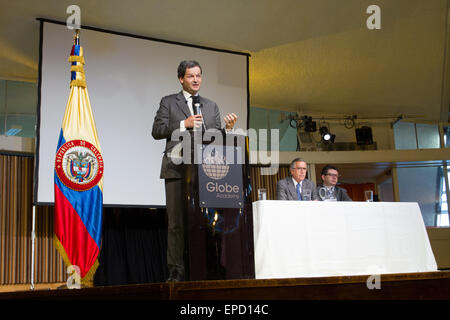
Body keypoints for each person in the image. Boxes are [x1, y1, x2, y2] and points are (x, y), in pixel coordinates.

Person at [151, 60, 237, 282]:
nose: (196, 79)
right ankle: (176, 271)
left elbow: (216, 139)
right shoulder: (169, 102)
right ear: (181, 79)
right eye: (191, 76)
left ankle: (206, 267)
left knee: (206, 222)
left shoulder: (211, 106)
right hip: (176, 169)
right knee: (176, 223)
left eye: (199, 75)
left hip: (206, 172)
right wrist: (184, 124)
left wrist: (227, 130)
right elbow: (157, 131)